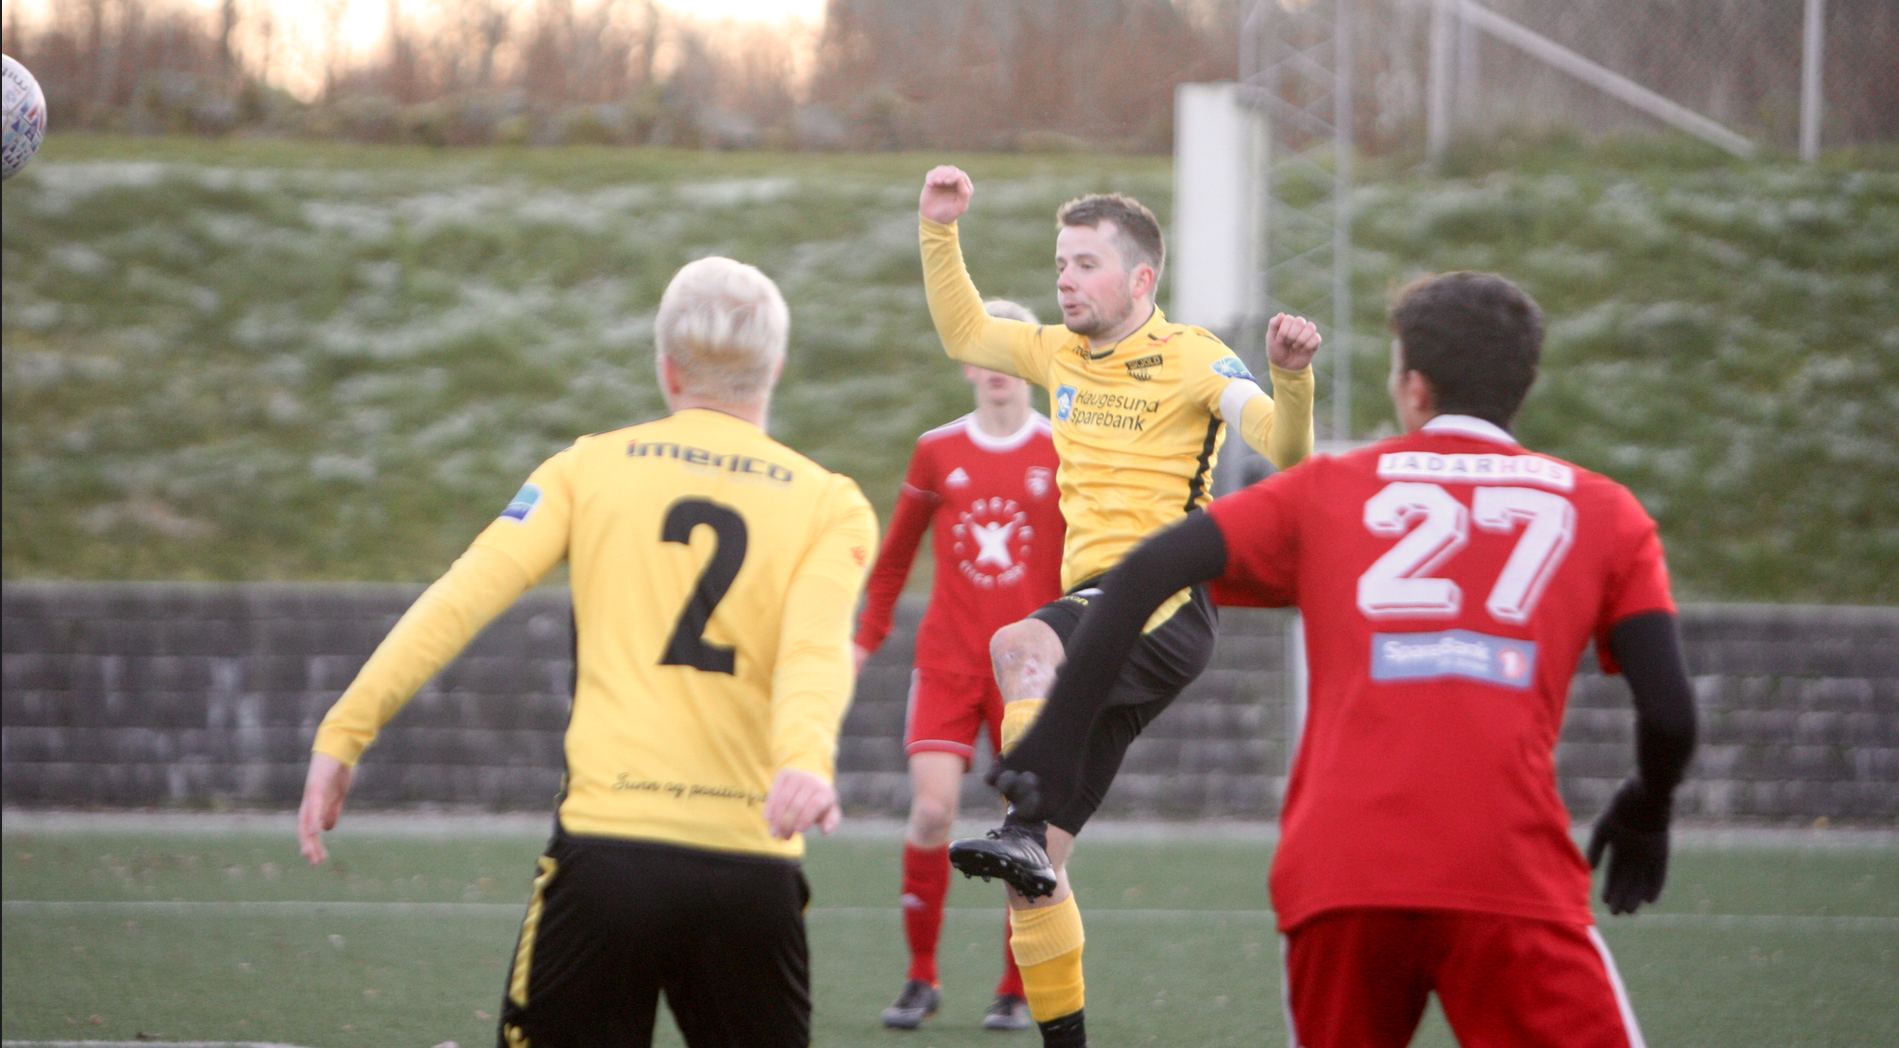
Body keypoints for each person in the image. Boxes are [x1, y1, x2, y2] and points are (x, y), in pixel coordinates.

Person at [994, 272, 1699, 1048]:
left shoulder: (1329, 492)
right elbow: (1668, 712)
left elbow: (1141, 573)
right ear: (1523, 382)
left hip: (1341, 873)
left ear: (1413, 385)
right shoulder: (1603, 512)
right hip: (1507, 871)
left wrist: (1056, 740)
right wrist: (1648, 804)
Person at [296, 257, 878, 1048]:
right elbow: (814, 652)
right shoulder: (830, 502)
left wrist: (346, 730)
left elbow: (458, 599)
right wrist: (803, 761)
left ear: (667, 368)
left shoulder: (587, 467)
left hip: (609, 862)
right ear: (774, 368)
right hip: (751, 864)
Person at [916, 164, 1321, 1047]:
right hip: (1099, 614)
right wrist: (939, 230)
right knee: (1037, 881)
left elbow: (1284, 448)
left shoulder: (1195, 355)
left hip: (1162, 603)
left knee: (1021, 642)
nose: (1065, 278)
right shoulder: (1056, 352)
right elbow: (964, 329)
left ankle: (1020, 821)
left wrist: (1291, 379)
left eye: (1085, 263)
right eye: (1060, 262)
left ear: (1141, 280)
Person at [854, 299, 1066, 1033]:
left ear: (1032, 360)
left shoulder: (1064, 449)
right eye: (987, 350)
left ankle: (1015, 986)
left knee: (1027, 831)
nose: (998, 367)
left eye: (1014, 351)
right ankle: (920, 977)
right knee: (934, 810)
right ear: (969, 361)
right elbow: (890, 564)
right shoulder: (936, 451)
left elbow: (1097, 562)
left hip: (1029, 674)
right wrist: (861, 643)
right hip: (946, 663)